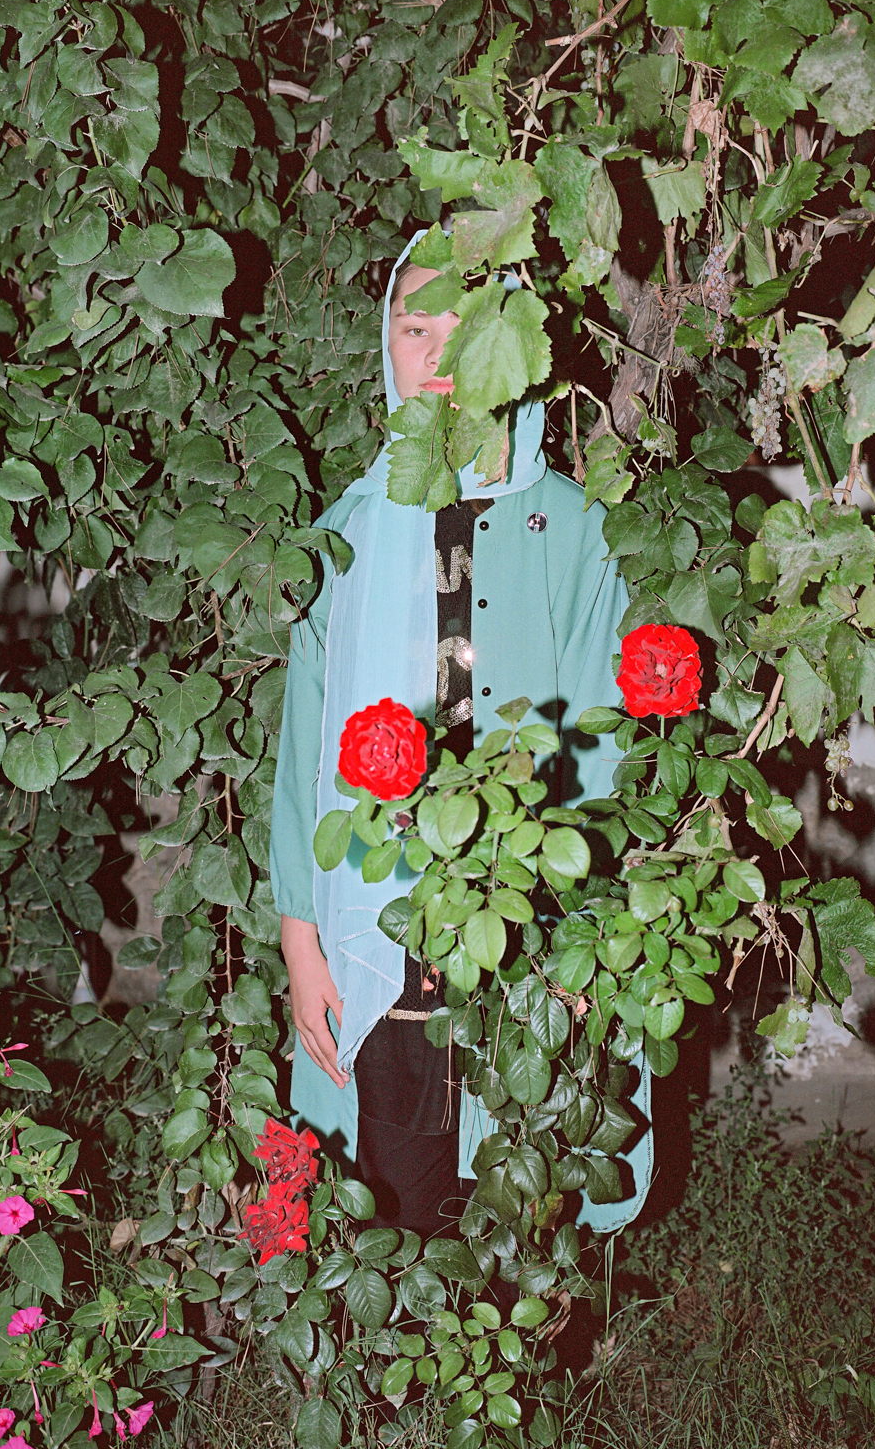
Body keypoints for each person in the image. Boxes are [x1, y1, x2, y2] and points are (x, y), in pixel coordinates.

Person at [269, 236, 652, 1240]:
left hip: (526, 934)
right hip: (378, 933)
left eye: (468, 326)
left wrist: (579, 953)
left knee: (520, 1199)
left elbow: (604, 755)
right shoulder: (343, 533)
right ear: (384, 346)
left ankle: (508, 1383)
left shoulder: (574, 532)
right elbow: (304, 744)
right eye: (414, 326)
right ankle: (402, 1385)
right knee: (388, 1189)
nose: (437, 353)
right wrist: (303, 940)